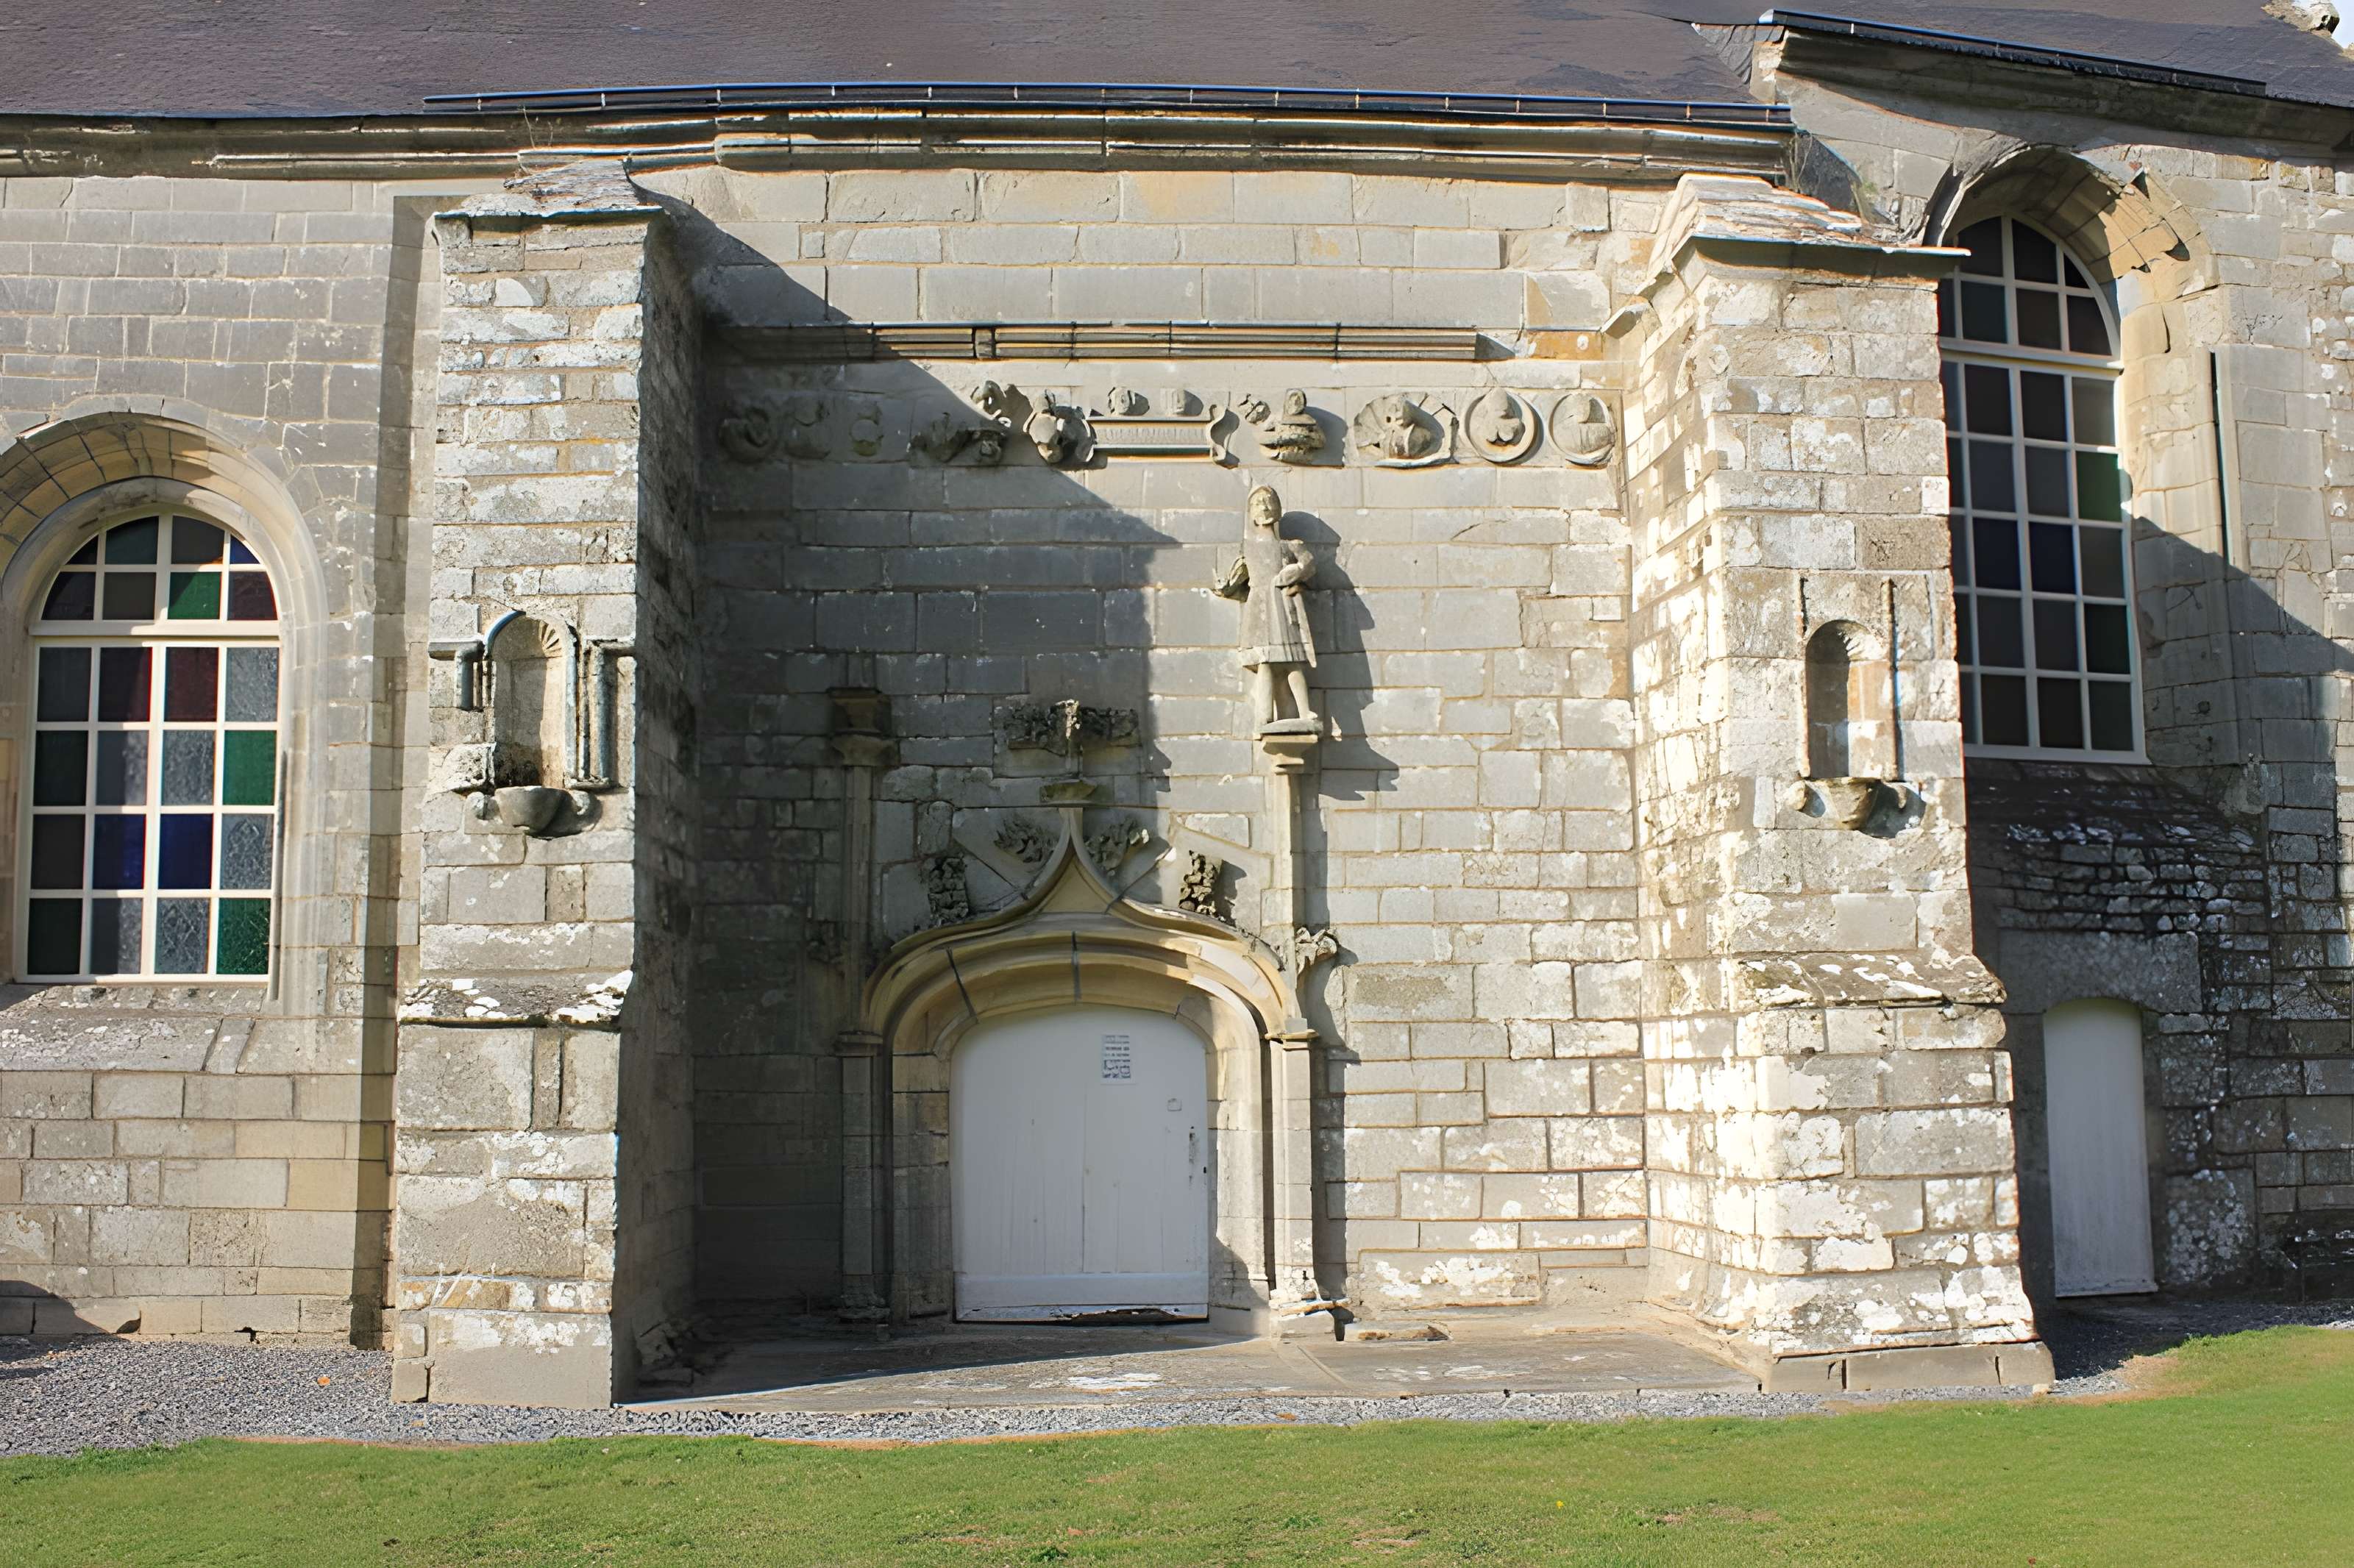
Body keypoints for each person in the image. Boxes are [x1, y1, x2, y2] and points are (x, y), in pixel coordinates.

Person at [1216, 485, 1320, 735]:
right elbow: (1235, 579)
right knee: (1264, 661)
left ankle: (1305, 712)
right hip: (1259, 607)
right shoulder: (1246, 548)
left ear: (1278, 509)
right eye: (1258, 503)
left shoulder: (1290, 545)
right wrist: (1225, 585)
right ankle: (1264, 717)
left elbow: (1308, 564)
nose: (1263, 507)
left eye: (1268, 501)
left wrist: (1294, 572)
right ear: (1251, 513)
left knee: (1292, 660)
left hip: (1282, 604)